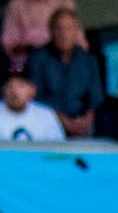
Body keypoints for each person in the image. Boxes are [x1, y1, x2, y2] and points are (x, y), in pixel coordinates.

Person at [30, 8, 104, 136]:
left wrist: (87, 119)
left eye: (69, 28)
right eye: (58, 28)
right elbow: (35, 97)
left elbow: (96, 97)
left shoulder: (88, 59)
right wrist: (61, 120)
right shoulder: (37, 59)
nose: (63, 34)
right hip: (47, 123)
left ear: (76, 32)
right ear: (50, 32)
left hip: (83, 126)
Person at [0, 65, 67, 141]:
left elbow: (57, 153)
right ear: (2, 90)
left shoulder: (46, 115)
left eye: (21, 86)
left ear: (32, 90)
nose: (14, 92)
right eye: (9, 86)